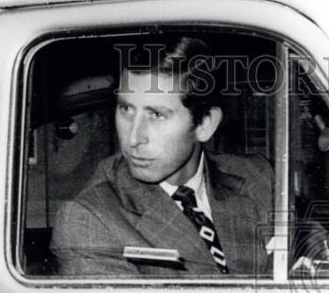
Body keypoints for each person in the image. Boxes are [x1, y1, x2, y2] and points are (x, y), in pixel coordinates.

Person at [50, 36, 272, 277]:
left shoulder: (257, 177)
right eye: (126, 109)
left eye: (156, 115)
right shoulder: (88, 219)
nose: (133, 138)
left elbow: (311, 255)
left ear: (205, 124)